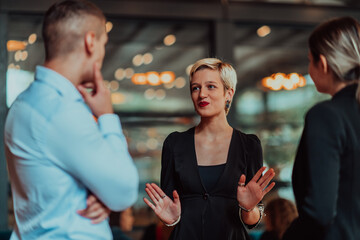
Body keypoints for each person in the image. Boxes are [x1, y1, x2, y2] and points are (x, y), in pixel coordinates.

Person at [4, 0, 139, 239]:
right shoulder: (60, 111)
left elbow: (54, 185)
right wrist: (107, 116)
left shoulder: (23, 103)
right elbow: (125, 191)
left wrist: (103, 197)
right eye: (103, 44)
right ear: (90, 42)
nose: (102, 53)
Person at [143, 58, 276, 240]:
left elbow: (251, 220)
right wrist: (171, 221)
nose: (201, 94)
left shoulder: (249, 145)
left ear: (228, 93)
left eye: (210, 86)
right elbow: (169, 215)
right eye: (195, 88)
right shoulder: (175, 144)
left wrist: (249, 207)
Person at [282, 17, 360, 240]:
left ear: (323, 63)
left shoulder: (326, 115)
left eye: (310, 60)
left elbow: (320, 212)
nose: (309, 68)